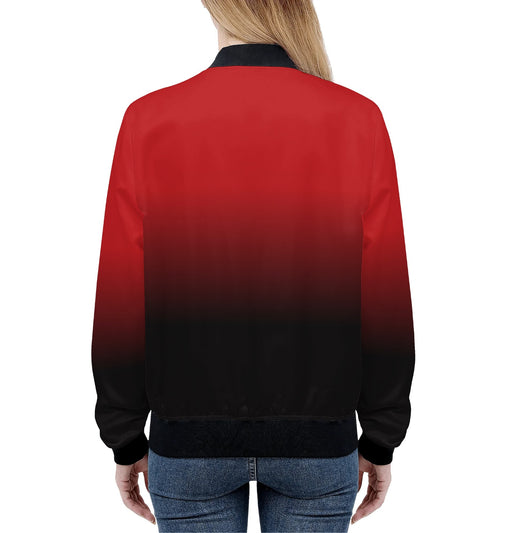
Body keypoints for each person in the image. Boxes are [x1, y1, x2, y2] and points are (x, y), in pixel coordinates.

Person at [90, 1, 416, 531]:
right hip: (319, 444)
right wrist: (381, 435)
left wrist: (124, 435)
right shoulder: (358, 119)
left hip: (187, 444)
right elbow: (385, 294)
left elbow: (120, 296)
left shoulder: (148, 120)